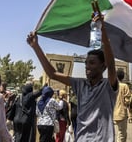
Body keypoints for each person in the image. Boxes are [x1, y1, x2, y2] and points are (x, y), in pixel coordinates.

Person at [27, 9, 118, 142]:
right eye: (86, 63)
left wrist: (101, 28)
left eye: (92, 63)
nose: (87, 66)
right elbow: (52, 73)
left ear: (102, 66)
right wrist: (36, 47)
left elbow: (111, 63)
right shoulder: (80, 84)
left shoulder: (108, 86)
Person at [113, 70, 131, 142]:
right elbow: (127, 100)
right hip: (121, 113)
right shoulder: (124, 86)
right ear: (123, 77)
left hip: (112, 113)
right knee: (122, 134)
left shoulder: (112, 85)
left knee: (115, 134)